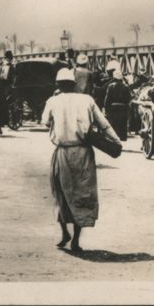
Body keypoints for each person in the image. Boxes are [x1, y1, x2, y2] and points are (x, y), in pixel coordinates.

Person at [42, 68, 122, 252]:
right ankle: (76, 240)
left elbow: (45, 122)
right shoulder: (87, 100)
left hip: (62, 152)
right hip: (84, 152)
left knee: (60, 193)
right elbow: (104, 124)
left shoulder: (52, 101)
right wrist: (116, 142)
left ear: (58, 85)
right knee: (82, 193)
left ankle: (64, 233)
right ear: (74, 84)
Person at [103, 70, 131, 141]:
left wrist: (106, 109)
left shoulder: (111, 86)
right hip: (122, 109)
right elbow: (129, 99)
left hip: (113, 109)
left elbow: (107, 99)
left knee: (113, 126)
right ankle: (121, 140)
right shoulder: (126, 87)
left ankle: (114, 141)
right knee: (122, 125)